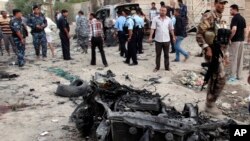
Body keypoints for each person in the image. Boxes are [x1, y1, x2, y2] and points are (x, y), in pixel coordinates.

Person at [196, 0, 228, 116]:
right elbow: (199, 34)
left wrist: (225, 55)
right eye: (220, 3)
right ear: (215, 3)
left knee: (214, 78)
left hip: (218, 52)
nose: (222, 6)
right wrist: (206, 48)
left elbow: (222, 38)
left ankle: (209, 103)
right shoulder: (209, 15)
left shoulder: (220, 18)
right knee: (221, 78)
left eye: (224, 4)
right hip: (211, 51)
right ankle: (210, 103)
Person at [148, 6, 175, 72]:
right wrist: (150, 37)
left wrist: (173, 36)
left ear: (166, 12)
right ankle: (157, 67)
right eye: (161, 10)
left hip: (167, 40)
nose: (162, 12)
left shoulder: (169, 19)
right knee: (158, 54)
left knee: (166, 55)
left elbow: (171, 29)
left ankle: (167, 67)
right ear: (159, 11)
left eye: (164, 11)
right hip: (158, 40)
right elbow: (152, 28)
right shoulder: (155, 19)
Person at [228, 4, 247, 82]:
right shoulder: (242, 18)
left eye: (231, 10)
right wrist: (244, 39)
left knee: (233, 58)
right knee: (240, 58)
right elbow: (245, 30)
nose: (230, 11)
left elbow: (234, 29)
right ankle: (239, 75)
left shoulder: (234, 18)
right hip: (241, 41)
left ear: (235, 9)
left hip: (235, 41)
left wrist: (229, 38)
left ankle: (232, 76)